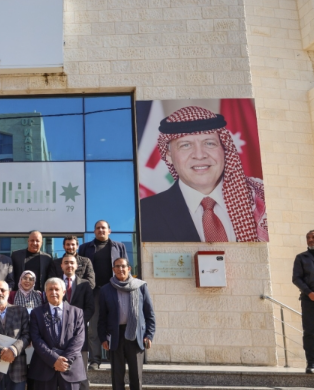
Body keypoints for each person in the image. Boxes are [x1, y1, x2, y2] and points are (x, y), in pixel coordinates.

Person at [139, 106, 268, 243]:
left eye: (209, 143)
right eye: (186, 145)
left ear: (224, 149)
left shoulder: (262, 199)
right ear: (169, 156)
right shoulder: (144, 213)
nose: (200, 155)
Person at [98, 258, 155, 390]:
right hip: (115, 336)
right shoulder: (106, 289)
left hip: (136, 336)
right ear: (113, 269)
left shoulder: (140, 286)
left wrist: (149, 335)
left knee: (136, 377)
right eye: (117, 266)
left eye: (123, 266)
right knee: (117, 377)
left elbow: (149, 314)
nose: (120, 269)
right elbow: (102, 318)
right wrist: (103, 338)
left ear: (129, 268)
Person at [29, 278, 86, 390]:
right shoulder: (36, 313)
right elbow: (36, 340)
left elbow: (79, 339)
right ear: (45, 293)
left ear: (63, 292)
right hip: (44, 366)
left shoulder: (77, 312)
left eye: (56, 289)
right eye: (50, 289)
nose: (53, 292)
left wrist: (64, 361)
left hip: (70, 367)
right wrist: (54, 360)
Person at [78, 220, 128, 370]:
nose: (101, 230)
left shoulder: (119, 247)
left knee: (114, 324)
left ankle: (114, 357)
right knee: (93, 327)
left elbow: (125, 268)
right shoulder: (85, 248)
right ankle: (95, 359)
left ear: (109, 231)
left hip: (113, 290)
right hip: (93, 292)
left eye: (103, 228)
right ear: (94, 231)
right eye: (98, 228)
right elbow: (80, 271)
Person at [60, 254, 96, 390]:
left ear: (77, 266)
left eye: (72, 263)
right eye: (66, 263)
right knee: (59, 374)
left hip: (79, 336)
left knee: (81, 375)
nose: (69, 265)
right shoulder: (55, 283)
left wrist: (77, 324)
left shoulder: (85, 284)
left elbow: (90, 308)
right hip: (58, 337)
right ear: (61, 265)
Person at [11, 270, 43, 390]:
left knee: (33, 378)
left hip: (34, 343)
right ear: (20, 279)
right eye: (25, 278)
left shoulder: (40, 296)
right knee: (17, 377)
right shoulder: (12, 295)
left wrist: (33, 337)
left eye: (31, 279)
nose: (27, 281)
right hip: (16, 342)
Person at [292, 230, 314, 374]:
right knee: (310, 332)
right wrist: (309, 292)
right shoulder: (301, 258)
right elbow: (296, 278)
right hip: (309, 300)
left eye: (313, 237)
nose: (310, 240)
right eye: (308, 238)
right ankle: (311, 363)